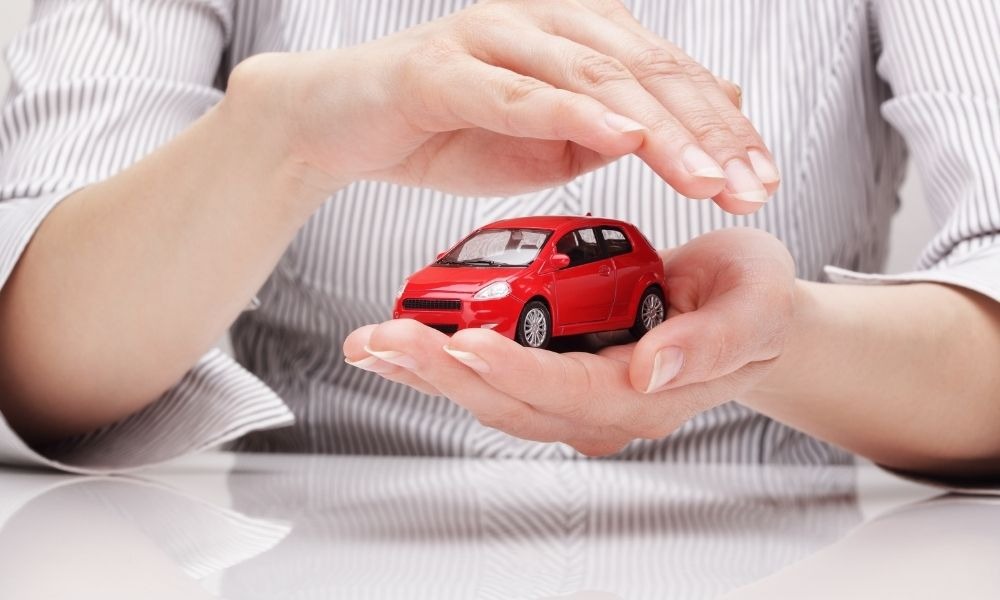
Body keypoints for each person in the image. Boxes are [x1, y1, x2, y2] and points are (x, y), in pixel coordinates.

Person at [0, 0, 997, 480]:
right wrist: (280, 140)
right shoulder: (478, 277)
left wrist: (785, 341)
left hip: (781, 558)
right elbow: (32, 345)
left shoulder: (584, 272)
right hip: (312, 556)